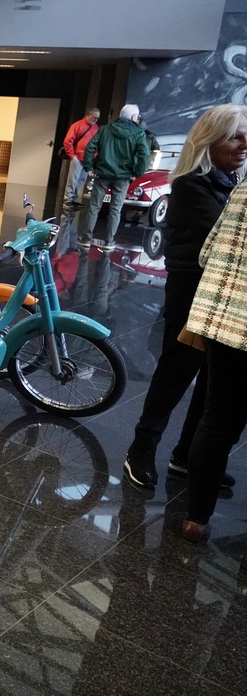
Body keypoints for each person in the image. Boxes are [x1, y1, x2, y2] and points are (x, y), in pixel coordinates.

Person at [122, 104, 247, 489]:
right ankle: (140, 449)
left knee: (212, 378)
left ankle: (188, 456)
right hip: (193, 290)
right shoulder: (192, 183)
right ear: (209, 141)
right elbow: (223, 240)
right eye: (235, 136)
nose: (244, 144)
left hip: (221, 294)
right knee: (177, 373)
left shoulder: (230, 180)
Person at [180, 162, 247, 545]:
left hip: (227, 320)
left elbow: (209, 252)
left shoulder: (244, 186)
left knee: (218, 419)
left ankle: (195, 520)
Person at [80, 103, 151, 250]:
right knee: (115, 210)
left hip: (102, 174)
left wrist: (89, 167)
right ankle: (109, 241)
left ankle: (86, 238)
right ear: (133, 117)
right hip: (123, 178)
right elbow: (144, 155)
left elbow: (90, 147)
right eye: (137, 116)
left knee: (94, 207)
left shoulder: (105, 129)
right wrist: (136, 173)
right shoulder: (138, 134)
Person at [61, 107, 101, 214]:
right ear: (88, 115)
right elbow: (68, 141)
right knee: (73, 179)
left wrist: (94, 155)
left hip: (87, 159)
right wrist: (72, 155)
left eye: (97, 118)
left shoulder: (96, 128)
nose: (96, 120)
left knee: (81, 180)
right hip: (77, 157)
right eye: (94, 117)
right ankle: (68, 200)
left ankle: (73, 200)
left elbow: (97, 144)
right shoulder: (77, 125)